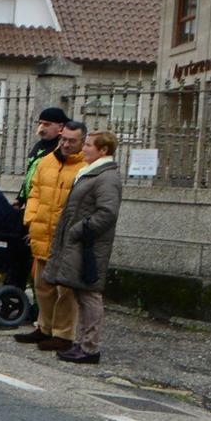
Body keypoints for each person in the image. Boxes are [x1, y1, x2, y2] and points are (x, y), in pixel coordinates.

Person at [46, 132, 122, 364]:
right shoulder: (91, 172)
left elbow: (107, 212)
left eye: (88, 145)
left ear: (103, 151)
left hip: (89, 246)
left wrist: (79, 229)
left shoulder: (106, 177)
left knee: (89, 294)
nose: (84, 148)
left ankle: (90, 347)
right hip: (80, 245)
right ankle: (82, 342)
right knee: (81, 293)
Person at [17, 120, 86, 353]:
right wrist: (31, 218)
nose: (66, 144)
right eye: (63, 139)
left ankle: (63, 334)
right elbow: (34, 191)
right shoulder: (46, 161)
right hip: (42, 230)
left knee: (65, 289)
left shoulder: (84, 167)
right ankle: (44, 327)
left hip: (66, 236)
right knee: (42, 285)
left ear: (82, 142)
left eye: (72, 141)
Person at [15, 107, 70, 208]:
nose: (41, 127)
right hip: (32, 201)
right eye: (40, 123)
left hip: (47, 204)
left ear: (60, 127)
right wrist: (20, 199)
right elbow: (30, 173)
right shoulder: (39, 145)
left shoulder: (62, 147)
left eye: (47, 124)